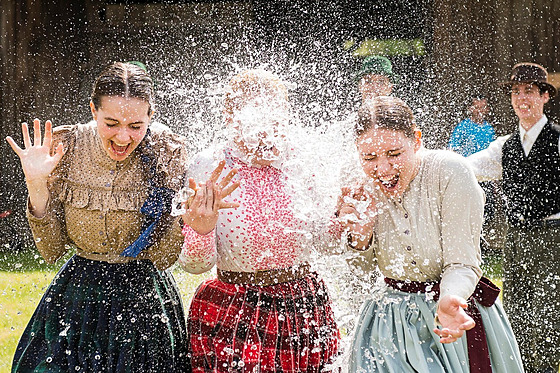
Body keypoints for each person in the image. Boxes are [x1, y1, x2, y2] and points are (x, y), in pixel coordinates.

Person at [5, 62, 237, 372]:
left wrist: (186, 222)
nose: (123, 137)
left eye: (136, 126)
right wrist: (36, 185)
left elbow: (162, 257)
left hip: (144, 297)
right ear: (93, 110)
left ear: (150, 115)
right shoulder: (66, 147)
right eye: (111, 123)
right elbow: (50, 251)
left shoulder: (167, 152)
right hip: (79, 293)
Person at [339, 96, 523, 372]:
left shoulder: (450, 171)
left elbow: (462, 262)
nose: (382, 168)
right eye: (369, 157)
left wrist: (450, 300)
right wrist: (360, 237)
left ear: (416, 140)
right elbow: (360, 275)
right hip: (387, 323)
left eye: (394, 153)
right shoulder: (357, 187)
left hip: (453, 316)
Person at [179, 69, 340, 373]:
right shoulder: (209, 166)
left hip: (303, 308)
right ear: (230, 118)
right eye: (257, 124)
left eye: (276, 122)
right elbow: (194, 265)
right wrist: (201, 230)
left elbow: (328, 244)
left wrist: (342, 218)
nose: (268, 134)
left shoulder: (304, 161)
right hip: (232, 309)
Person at [467, 62, 560, 373]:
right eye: (516, 92)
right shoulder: (503, 147)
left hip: (553, 237)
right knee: (517, 313)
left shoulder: (558, 140)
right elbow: (467, 167)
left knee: (547, 316)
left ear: (545, 96)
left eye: (530, 92)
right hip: (517, 236)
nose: (522, 99)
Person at [448, 94, 498, 234]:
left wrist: (494, 181)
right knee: (469, 209)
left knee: (487, 210)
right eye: (477, 107)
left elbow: (492, 156)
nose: (480, 110)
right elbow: (452, 150)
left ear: (487, 109)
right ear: (470, 109)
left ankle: (481, 241)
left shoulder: (489, 129)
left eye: (483, 107)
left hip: (486, 177)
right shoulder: (463, 127)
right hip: (467, 175)